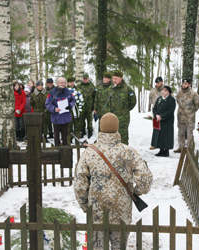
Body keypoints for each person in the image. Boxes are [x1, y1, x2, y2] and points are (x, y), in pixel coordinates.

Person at [74, 113, 153, 249]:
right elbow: (145, 180)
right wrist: (135, 192)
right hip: (121, 213)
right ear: (117, 129)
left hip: (97, 214)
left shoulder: (89, 153)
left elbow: (80, 185)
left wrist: (86, 206)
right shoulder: (129, 152)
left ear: (100, 128)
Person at [108, 70, 137, 145]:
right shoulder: (111, 89)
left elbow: (133, 101)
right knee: (112, 136)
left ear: (121, 78)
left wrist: (125, 109)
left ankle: (124, 153)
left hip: (123, 118)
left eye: (116, 78)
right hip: (112, 117)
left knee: (123, 137)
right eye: (113, 78)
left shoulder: (127, 89)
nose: (114, 80)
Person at [45, 77, 75, 146]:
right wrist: (54, 109)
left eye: (64, 82)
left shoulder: (68, 91)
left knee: (66, 136)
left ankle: (65, 150)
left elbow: (73, 100)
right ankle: (57, 149)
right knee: (56, 136)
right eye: (61, 82)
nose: (63, 84)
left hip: (66, 117)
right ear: (57, 83)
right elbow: (47, 103)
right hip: (56, 118)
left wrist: (70, 105)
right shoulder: (52, 92)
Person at [174, 79, 199, 153]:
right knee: (180, 133)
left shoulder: (193, 94)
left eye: (186, 84)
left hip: (190, 117)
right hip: (181, 116)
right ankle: (181, 147)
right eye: (183, 83)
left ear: (189, 85)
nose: (184, 85)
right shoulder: (179, 93)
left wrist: (191, 111)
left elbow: (198, 104)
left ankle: (190, 148)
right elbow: (177, 101)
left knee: (190, 133)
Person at [151, 86, 176, 157]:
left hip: (167, 121)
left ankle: (166, 151)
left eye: (165, 91)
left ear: (169, 92)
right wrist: (156, 115)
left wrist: (162, 116)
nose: (163, 92)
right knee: (160, 135)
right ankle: (161, 150)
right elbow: (154, 108)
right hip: (158, 120)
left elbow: (171, 111)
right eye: (163, 90)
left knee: (166, 135)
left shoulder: (171, 100)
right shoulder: (159, 98)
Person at [77, 73, 96, 138]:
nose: (85, 80)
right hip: (81, 106)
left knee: (89, 120)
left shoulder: (92, 86)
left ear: (88, 79)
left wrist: (94, 107)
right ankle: (83, 131)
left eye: (86, 79)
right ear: (82, 79)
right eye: (84, 79)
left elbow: (94, 97)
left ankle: (90, 131)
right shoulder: (79, 86)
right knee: (82, 120)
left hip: (89, 106)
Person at [148, 76, 164, 150]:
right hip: (155, 111)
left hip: (163, 111)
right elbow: (150, 98)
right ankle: (154, 144)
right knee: (156, 127)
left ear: (162, 82)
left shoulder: (165, 89)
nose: (157, 84)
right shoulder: (153, 90)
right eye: (156, 83)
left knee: (163, 128)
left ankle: (162, 145)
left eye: (159, 83)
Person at [67, 76, 84, 141]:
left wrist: (80, 111)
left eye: (73, 82)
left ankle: (77, 139)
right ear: (68, 83)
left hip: (77, 112)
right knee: (69, 127)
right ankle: (69, 140)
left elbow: (82, 101)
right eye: (70, 82)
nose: (72, 83)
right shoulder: (65, 91)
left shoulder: (78, 90)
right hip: (69, 112)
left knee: (77, 126)